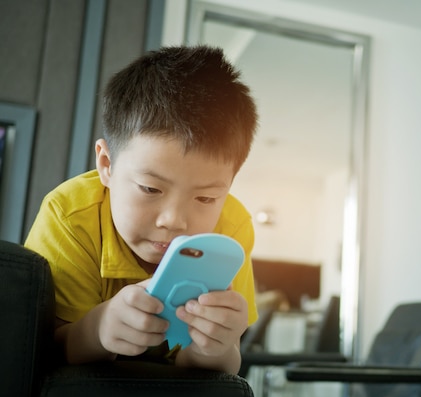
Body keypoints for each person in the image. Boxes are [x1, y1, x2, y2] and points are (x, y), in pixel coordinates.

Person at [24, 45, 259, 374]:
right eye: (150, 189)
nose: (174, 220)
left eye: (206, 199)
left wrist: (214, 348)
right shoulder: (70, 216)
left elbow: (221, 366)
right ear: (107, 164)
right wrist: (98, 329)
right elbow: (38, 354)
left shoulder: (231, 228)